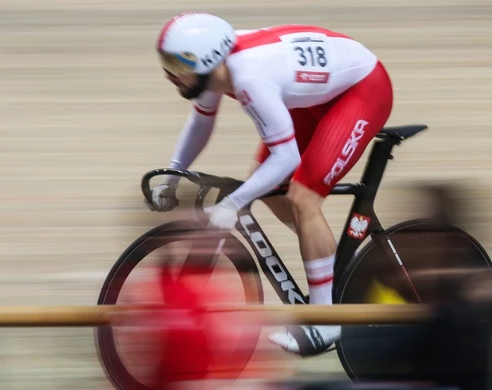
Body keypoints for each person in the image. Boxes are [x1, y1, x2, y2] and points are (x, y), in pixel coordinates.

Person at [146, 12, 394, 356]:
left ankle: (327, 322)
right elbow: (201, 122)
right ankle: (329, 263)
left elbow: (287, 159)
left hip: (361, 90)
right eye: (165, 61)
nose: (167, 73)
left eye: (175, 64)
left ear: (205, 61)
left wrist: (231, 205)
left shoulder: (248, 77)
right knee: (273, 191)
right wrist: (173, 174)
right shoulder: (213, 71)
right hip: (314, 94)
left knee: (302, 199)